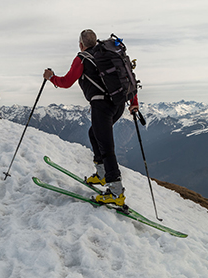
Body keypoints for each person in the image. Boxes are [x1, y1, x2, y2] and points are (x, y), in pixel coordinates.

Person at [43, 29, 139, 207]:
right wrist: (134, 101)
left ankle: (116, 193)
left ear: (81, 44)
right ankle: (102, 175)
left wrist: (51, 78)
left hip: (101, 106)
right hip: (118, 104)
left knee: (106, 147)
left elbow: (66, 82)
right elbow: (126, 77)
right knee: (94, 134)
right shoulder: (108, 54)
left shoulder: (82, 58)